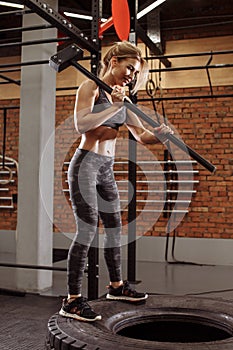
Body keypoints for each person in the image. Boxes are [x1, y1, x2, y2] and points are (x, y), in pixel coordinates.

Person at [59, 41, 173, 322]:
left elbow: (141, 136)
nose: (131, 75)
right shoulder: (91, 87)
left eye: (134, 72)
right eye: (129, 68)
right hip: (85, 164)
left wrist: (160, 134)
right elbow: (81, 124)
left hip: (107, 168)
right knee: (87, 230)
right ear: (113, 62)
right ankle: (72, 300)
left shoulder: (126, 100)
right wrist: (114, 105)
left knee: (113, 228)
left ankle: (117, 286)